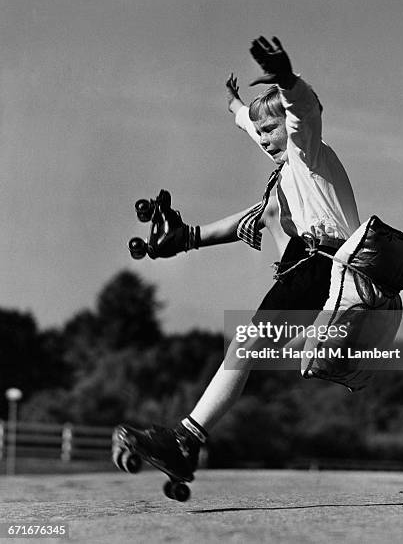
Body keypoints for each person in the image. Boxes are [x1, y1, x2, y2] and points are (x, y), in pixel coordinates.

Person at [116, 36, 361, 483]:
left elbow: (303, 112)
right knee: (250, 348)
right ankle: (325, 344)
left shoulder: (308, 155)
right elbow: (249, 124)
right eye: (263, 133)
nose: (267, 140)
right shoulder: (284, 180)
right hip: (319, 276)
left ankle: (185, 441)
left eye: (274, 131)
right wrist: (235, 106)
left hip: (319, 264)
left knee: (245, 347)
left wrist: (286, 79)